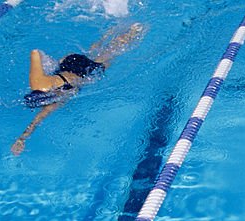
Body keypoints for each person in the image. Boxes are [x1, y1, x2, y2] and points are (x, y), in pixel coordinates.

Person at [12, 23, 146, 155]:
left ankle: (133, 32)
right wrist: (21, 138)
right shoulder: (44, 82)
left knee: (111, 52)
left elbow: (37, 120)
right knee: (93, 50)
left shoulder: (57, 100)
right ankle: (112, 30)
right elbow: (35, 54)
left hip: (86, 71)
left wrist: (22, 139)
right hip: (68, 62)